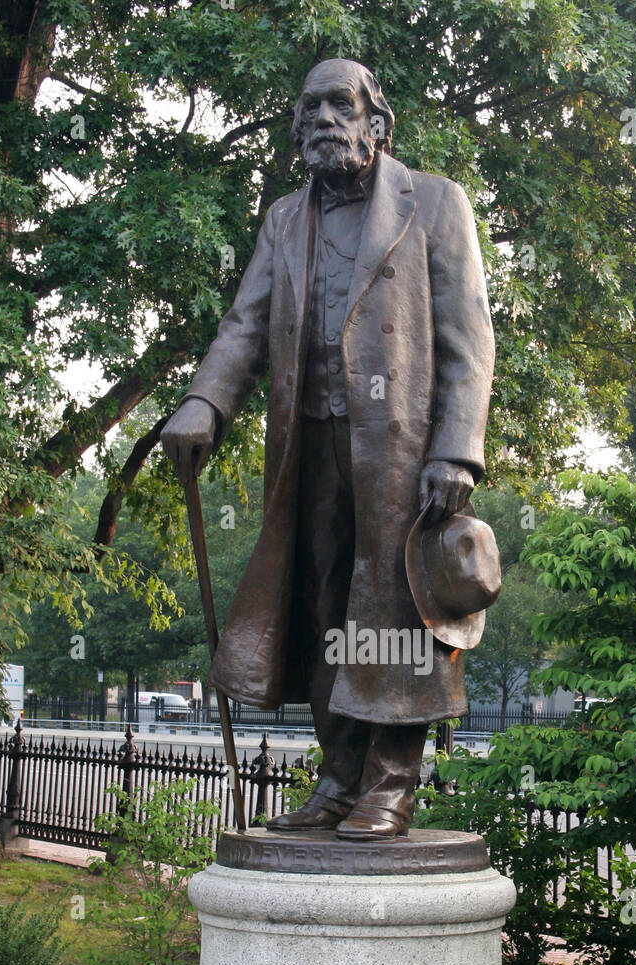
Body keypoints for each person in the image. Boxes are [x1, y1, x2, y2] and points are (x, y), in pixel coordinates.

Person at [161, 58, 494, 840]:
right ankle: (338, 778)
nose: (319, 119)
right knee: (319, 608)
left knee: (397, 611)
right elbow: (244, 325)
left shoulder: (436, 204)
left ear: (376, 122)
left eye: (337, 104)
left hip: (403, 457)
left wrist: (457, 450)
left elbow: (469, 337)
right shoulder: (285, 219)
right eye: (307, 107)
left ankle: (391, 782)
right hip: (307, 447)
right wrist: (205, 401)